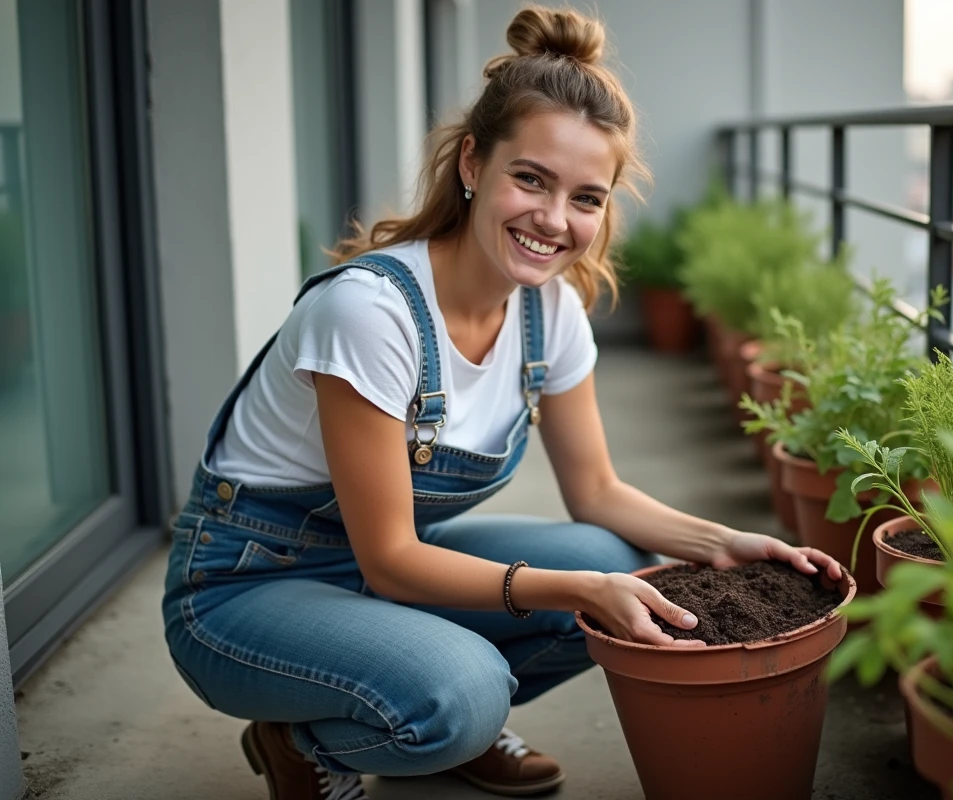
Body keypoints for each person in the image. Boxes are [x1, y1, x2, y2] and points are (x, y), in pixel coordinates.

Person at [161, 6, 841, 799]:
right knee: (473, 684)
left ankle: (430, 715)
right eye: (531, 179)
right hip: (245, 589)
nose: (555, 221)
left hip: (377, 575)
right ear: (474, 164)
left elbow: (598, 493)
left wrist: (721, 542)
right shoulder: (369, 314)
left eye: (587, 198)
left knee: (615, 563)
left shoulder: (548, 313)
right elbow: (390, 558)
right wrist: (575, 593)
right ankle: (318, 740)